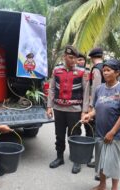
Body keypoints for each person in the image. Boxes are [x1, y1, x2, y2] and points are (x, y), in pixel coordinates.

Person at [82, 59, 120, 190]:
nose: (105, 73)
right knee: (101, 160)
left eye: (108, 70)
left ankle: (114, 187)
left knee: (113, 162)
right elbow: (97, 108)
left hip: (115, 135)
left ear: (117, 73)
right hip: (100, 132)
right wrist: (89, 115)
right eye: (104, 70)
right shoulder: (99, 89)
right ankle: (102, 184)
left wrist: (112, 132)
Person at [47, 45, 90, 174]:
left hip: (74, 110)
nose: (73, 61)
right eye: (71, 57)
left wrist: (84, 111)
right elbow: (52, 89)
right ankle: (59, 157)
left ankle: (76, 160)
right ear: (64, 57)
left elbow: (86, 92)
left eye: (75, 58)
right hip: (59, 109)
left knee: (74, 135)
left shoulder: (83, 72)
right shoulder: (56, 71)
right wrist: (49, 107)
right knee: (59, 135)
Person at [87, 47, 105, 171]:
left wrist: (91, 107)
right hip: (105, 104)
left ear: (92, 58)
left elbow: (96, 89)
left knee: (97, 134)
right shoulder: (105, 67)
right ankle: (100, 160)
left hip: (98, 106)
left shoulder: (96, 70)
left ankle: (99, 161)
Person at [76, 52, 93, 137]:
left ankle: (88, 144)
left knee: (89, 126)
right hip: (77, 104)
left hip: (87, 103)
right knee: (77, 126)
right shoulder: (73, 72)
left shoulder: (89, 72)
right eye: (79, 60)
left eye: (82, 60)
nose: (81, 62)